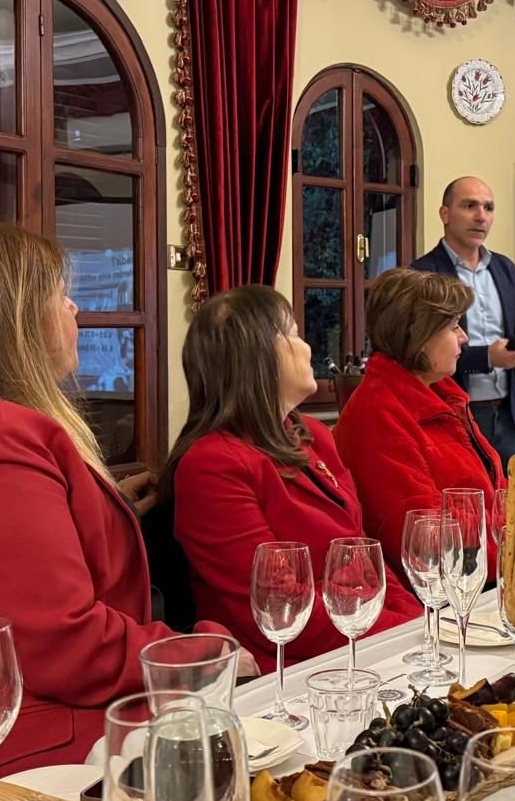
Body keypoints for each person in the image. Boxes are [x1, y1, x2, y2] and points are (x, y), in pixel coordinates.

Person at [0, 222, 247, 775]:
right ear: (16, 324)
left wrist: (100, 509)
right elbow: (63, 645)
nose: (74, 309)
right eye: (61, 295)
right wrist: (202, 651)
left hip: (15, 711)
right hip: (12, 740)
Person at [164, 286, 419, 671]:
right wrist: (406, 633)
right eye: (294, 334)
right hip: (291, 669)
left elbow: (367, 558)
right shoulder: (211, 465)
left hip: (363, 641)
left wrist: (421, 622)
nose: (308, 347)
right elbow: (281, 606)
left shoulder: (312, 435)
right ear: (256, 355)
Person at [334, 268, 504, 579]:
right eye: (453, 326)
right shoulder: (379, 416)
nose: (464, 337)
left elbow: (498, 494)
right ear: (419, 336)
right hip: (449, 590)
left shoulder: (443, 396)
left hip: (488, 573)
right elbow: (425, 542)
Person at [411, 176, 515, 466]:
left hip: (507, 414)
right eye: (470, 206)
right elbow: (423, 352)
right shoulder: (423, 274)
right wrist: (488, 357)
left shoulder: (504, 268)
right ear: (445, 214)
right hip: (453, 413)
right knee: (465, 493)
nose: (481, 217)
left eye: (488, 208)